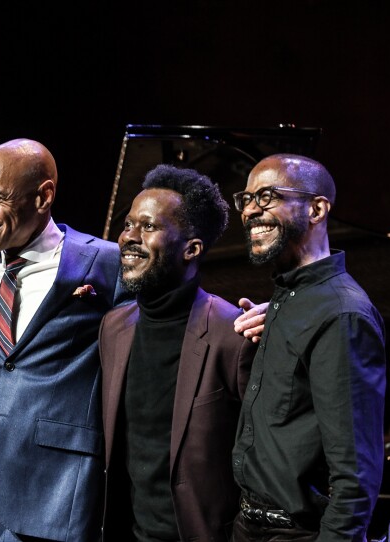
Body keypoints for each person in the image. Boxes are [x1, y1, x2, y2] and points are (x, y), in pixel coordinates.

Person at [0, 138, 129, 542]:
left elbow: (164, 328)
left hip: (58, 491)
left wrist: (246, 317)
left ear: (43, 196)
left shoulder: (102, 261)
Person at [230, 154, 387, 541]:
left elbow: (355, 480)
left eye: (266, 197)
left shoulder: (343, 314)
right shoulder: (289, 296)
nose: (250, 210)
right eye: (246, 199)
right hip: (248, 527)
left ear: (316, 209)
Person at [99, 164, 258, 541]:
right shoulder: (113, 328)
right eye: (128, 225)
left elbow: (260, 465)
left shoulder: (232, 333)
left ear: (191, 249)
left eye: (148, 227)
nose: (129, 238)